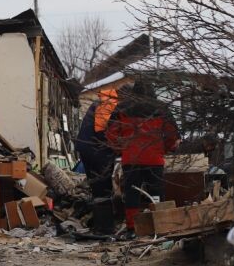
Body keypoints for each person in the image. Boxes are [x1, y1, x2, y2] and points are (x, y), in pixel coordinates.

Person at [106, 81, 180, 237]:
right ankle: (159, 226)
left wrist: (121, 150)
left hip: (131, 159)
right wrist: (164, 149)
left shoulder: (122, 108)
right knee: (156, 193)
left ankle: (133, 229)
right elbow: (172, 135)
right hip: (154, 159)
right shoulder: (162, 108)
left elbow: (111, 133)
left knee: (132, 195)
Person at [75, 88, 119, 234]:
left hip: (88, 149)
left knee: (97, 187)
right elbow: (102, 130)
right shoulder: (108, 104)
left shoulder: (101, 103)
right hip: (96, 150)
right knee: (103, 187)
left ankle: (100, 225)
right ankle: (105, 228)